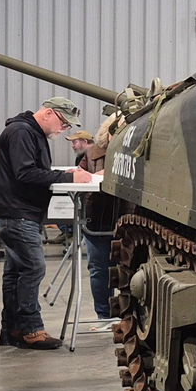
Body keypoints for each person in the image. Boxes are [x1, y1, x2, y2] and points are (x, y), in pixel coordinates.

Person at [0, 97, 95, 350]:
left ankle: (12, 330)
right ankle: (31, 330)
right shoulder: (22, 132)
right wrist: (68, 177)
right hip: (16, 212)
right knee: (33, 268)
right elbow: (25, 173)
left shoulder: (28, 131)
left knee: (16, 272)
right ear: (49, 113)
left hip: (13, 211)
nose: (64, 129)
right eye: (63, 123)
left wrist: (64, 175)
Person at [74, 120, 117, 327]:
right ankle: (104, 315)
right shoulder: (91, 154)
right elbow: (79, 177)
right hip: (98, 218)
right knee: (99, 268)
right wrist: (90, 176)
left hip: (130, 220)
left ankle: (130, 315)